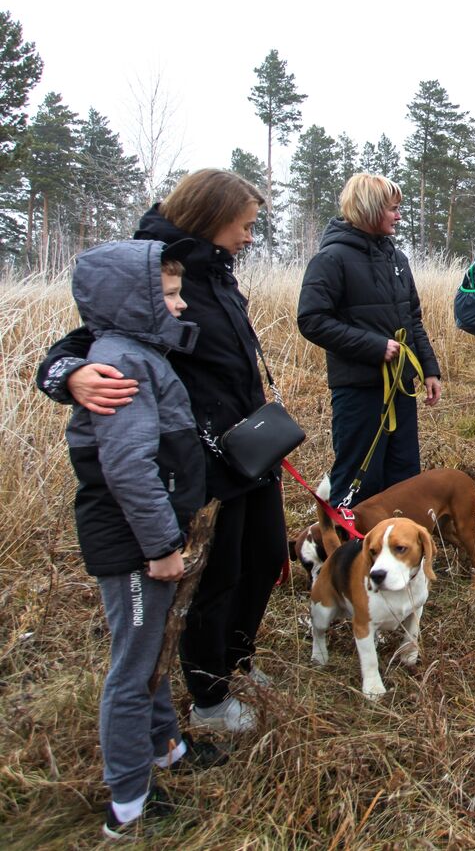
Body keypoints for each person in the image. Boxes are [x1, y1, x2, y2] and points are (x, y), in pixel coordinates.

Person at [38, 169, 282, 734]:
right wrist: (68, 375)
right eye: (244, 226)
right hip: (203, 456)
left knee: (266, 558)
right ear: (212, 216)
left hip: (250, 445)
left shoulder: (217, 272)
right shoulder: (153, 270)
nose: (249, 238)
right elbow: (86, 343)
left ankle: (237, 661)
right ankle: (210, 696)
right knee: (219, 577)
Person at [64, 240, 227, 840]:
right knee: (133, 667)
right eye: (168, 294)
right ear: (130, 301)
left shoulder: (142, 353)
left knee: (156, 643)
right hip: (135, 543)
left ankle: (167, 749)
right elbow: (130, 466)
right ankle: (128, 802)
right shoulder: (122, 365)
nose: (181, 305)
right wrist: (160, 547)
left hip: (154, 533)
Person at [297, 174, 442, 508]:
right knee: (360, 478)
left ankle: (400, 554)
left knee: (405, 477)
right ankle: (350, 553)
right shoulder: (331, 259)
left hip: (400, 388)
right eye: (393, 208)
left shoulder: (397, 259)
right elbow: (312, 320)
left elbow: (412, 319)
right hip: (358, 391)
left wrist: (429, 370)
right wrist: (375, 347)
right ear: (370, 209)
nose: (399, 215)